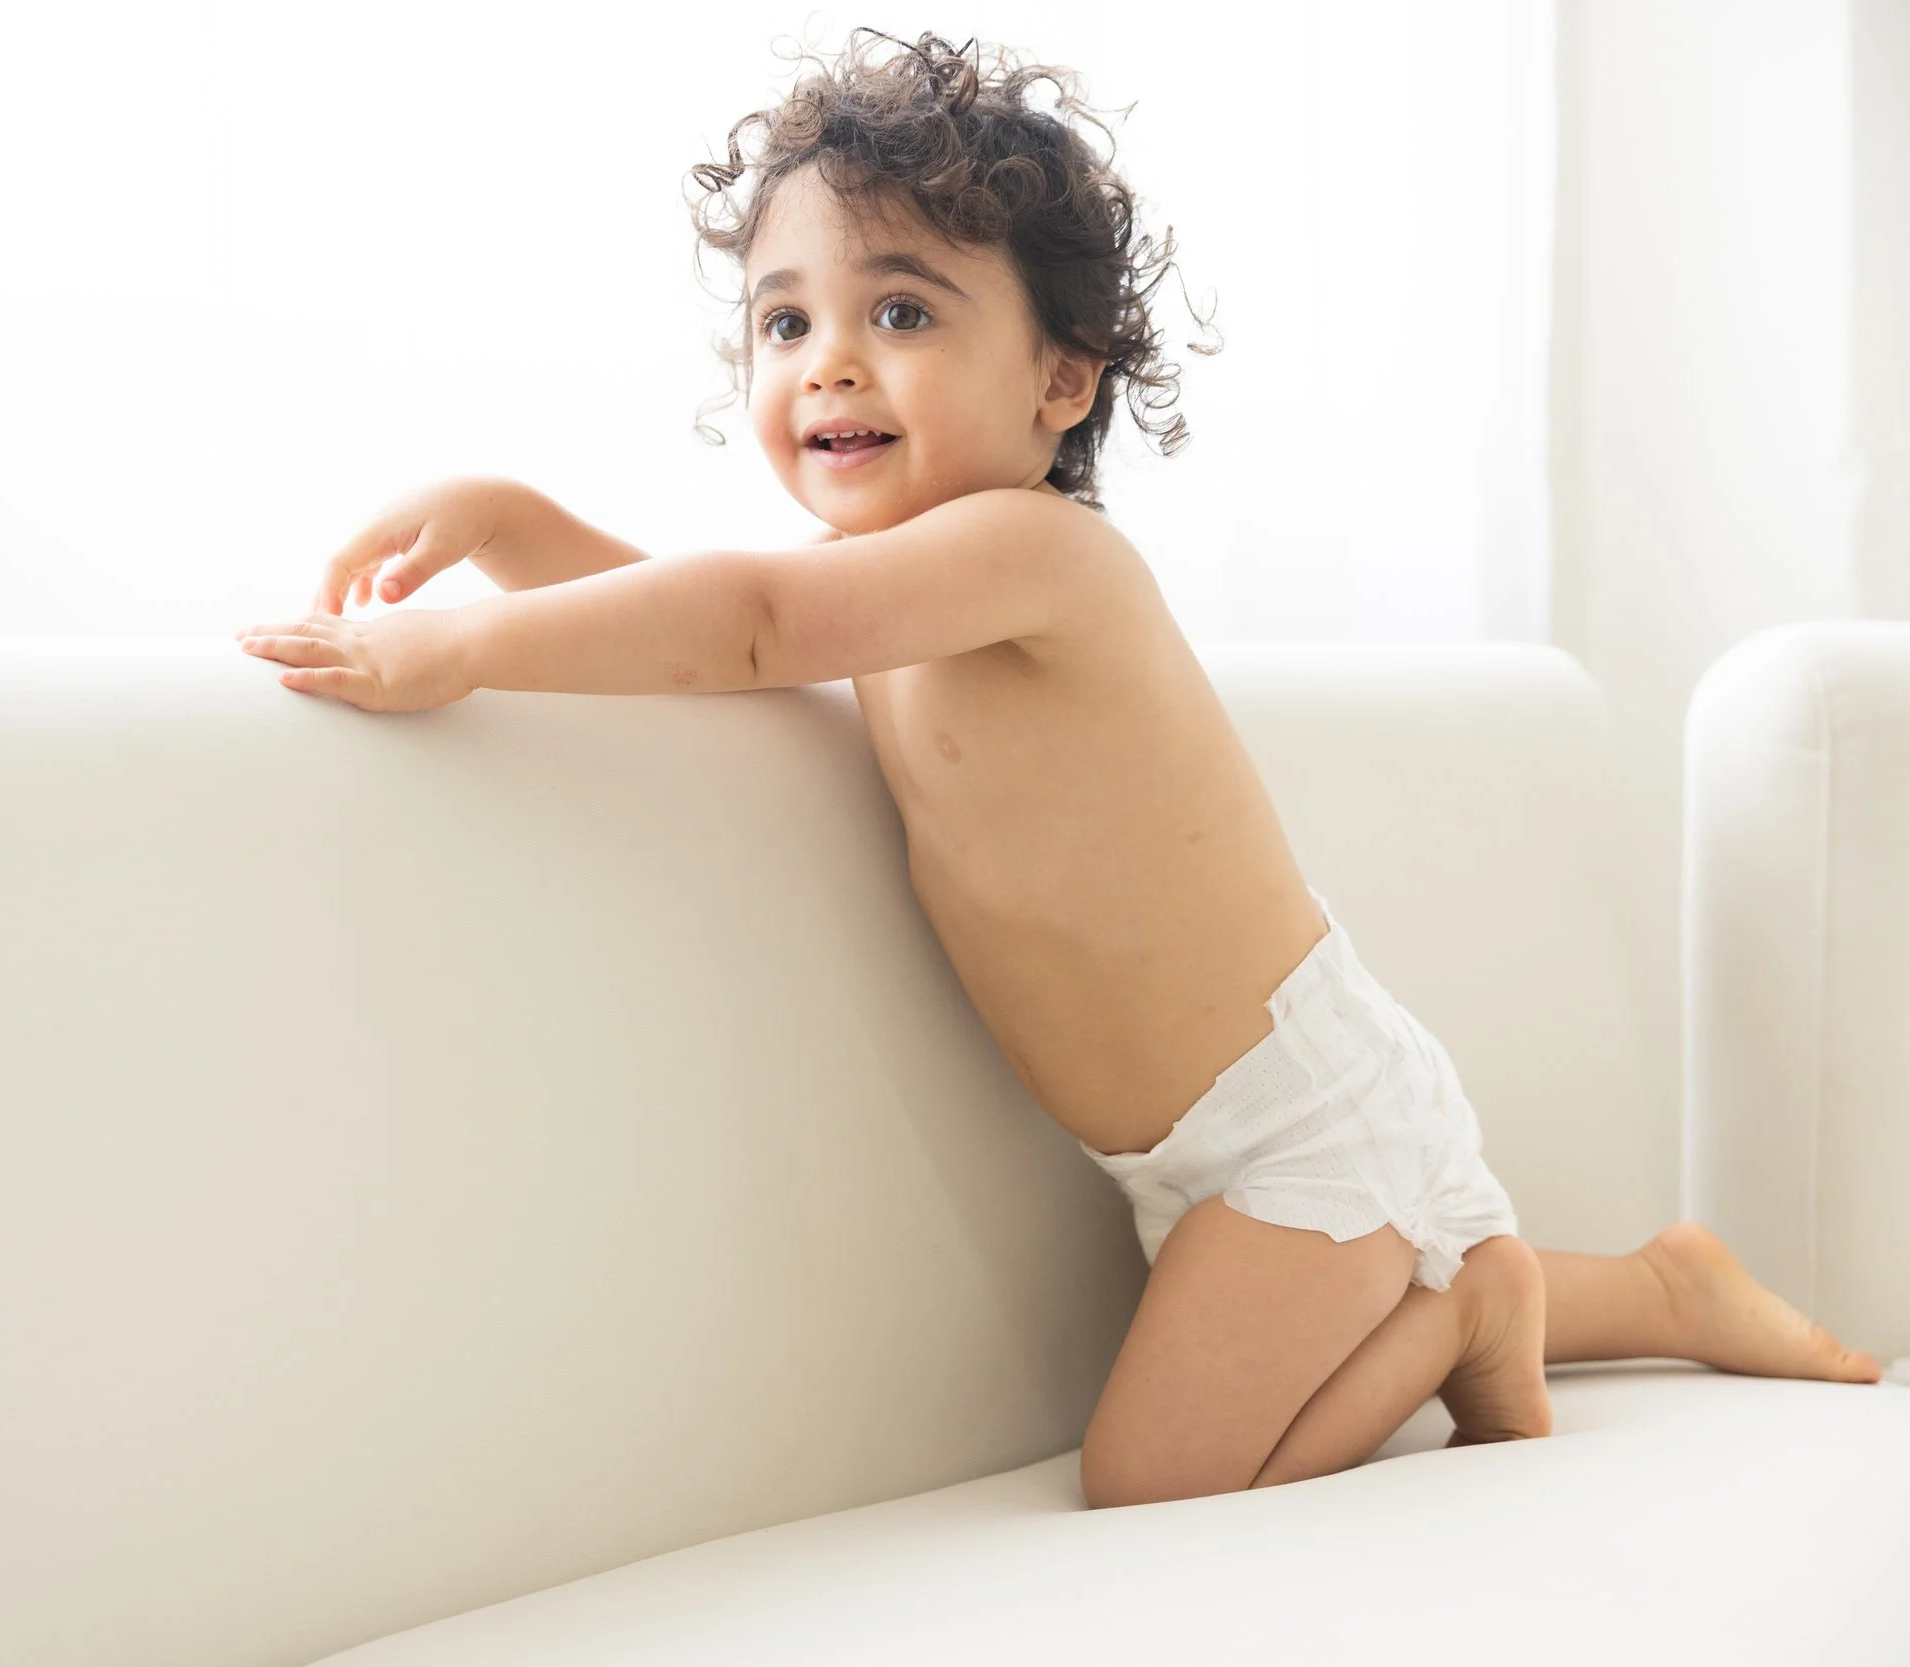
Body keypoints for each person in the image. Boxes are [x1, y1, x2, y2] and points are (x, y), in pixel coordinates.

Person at [236, 29, 1882, 1507]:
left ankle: (1470, 1303)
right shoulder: (880, 593)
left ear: (1060, 378)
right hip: (1201, 1152)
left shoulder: (1032, 557)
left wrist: (459, 649)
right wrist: (510, 520)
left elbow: (742, 624)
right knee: (1351, 1283)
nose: (829, 361)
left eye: (899, 312)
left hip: (1298, 1130)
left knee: (1154, 1476)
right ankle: (1660, 1286)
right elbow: (692, 619)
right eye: (785, 319)